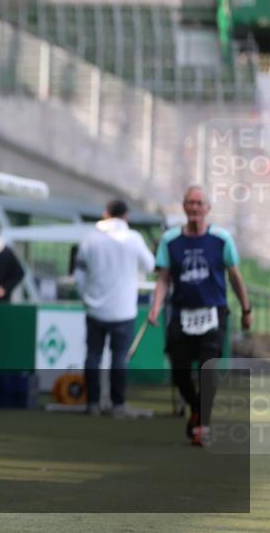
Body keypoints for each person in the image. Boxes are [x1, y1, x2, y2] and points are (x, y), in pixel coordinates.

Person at [148, 185, 252, 447]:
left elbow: (234, 276)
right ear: (184, 207)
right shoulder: (170, 241)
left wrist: (246, 309)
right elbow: (163, 278)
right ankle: (197, 408)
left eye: (199, 203)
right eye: (190, 203)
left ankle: (202, 425)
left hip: (213, 313)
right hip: (182, 313)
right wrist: (156, 306)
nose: (194, 208)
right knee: (180, 372)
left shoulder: (221, 239)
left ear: (207, 209)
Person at [74, 199, 155, 417]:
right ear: (126, 216)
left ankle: (92, 403)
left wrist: (86, 297)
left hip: (95, 309)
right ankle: (118, 404)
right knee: (119, 358)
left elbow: (79, 276)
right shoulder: (134, 239)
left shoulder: (90, 240)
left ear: (105, 213)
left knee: (93, 356)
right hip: (123, 310)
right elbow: (150, 265)